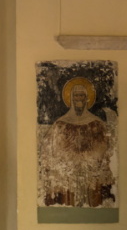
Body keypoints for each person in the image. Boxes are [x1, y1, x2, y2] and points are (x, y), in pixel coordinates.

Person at [40, 78, 115, 208]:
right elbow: (51, 149)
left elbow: (103, 148)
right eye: (76, 95)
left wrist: (87, 160)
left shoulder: (96, 123)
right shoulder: (60, 124)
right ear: (70, 99)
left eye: (81, 95)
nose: (78, 98)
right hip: (68, 176)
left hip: (90, 173)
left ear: (87, 99)